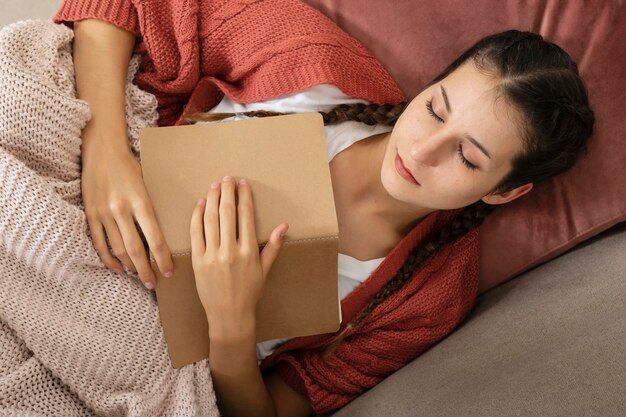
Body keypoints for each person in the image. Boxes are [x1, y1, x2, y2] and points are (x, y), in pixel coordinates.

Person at [48, 2, 593, 416]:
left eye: (467, 157)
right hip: (63, 199)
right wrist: (106, 151)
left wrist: (231, 329)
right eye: (434, 109)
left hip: (135, 357)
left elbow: (270, 411)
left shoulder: (429, 297)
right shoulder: (315, 66)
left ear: (504, 192)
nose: (420, 150)